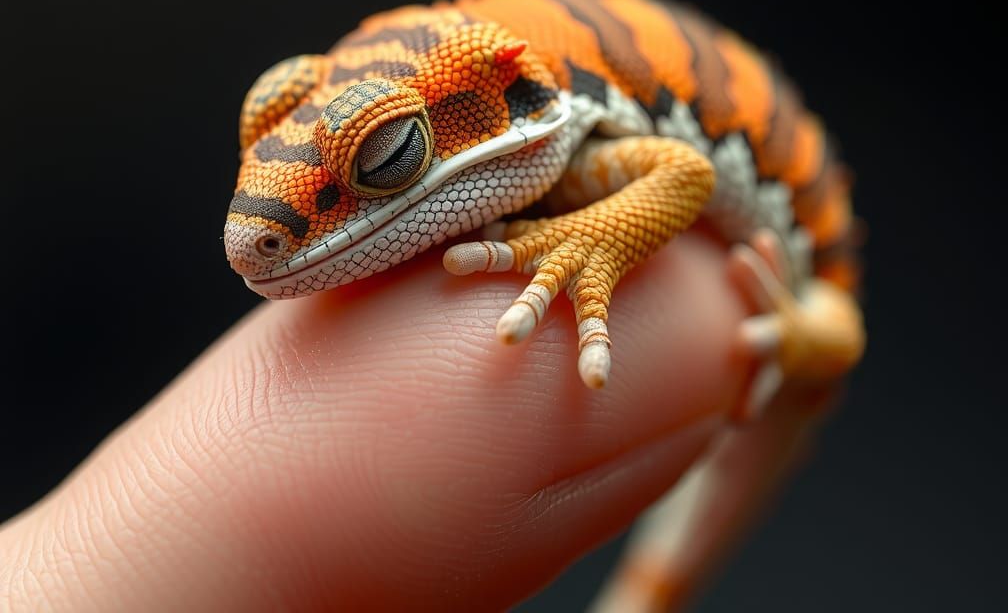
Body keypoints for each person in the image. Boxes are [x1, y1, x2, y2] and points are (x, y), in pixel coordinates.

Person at [0, 232, 836, 611]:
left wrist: (593, 238)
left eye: (389, 158)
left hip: (813, 303)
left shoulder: (599, 138)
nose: (244, 242)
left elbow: (682, 176)